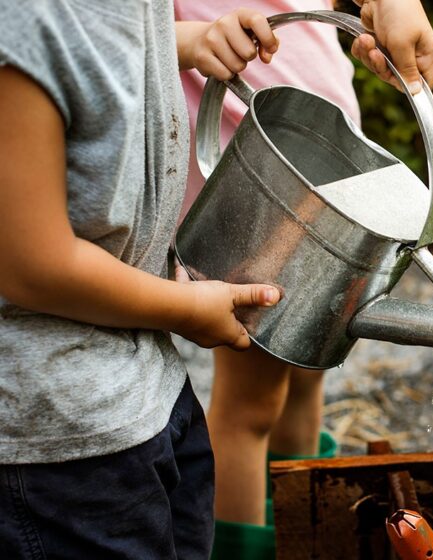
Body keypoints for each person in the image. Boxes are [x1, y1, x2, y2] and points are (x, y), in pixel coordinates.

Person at [0, 3, 284, 558]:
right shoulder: (20, 26)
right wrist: (183, 308)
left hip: (148, 391)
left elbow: (102, 48)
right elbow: (34, 267)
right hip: (60, 440)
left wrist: (189, 41)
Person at [173, 0, 433, 553]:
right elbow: (111, 31)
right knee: (252, 398)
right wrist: (191, 39)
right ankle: (247, 547)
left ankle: (307, 531)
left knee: (308, 365)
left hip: (323, 131)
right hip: (253, 155)